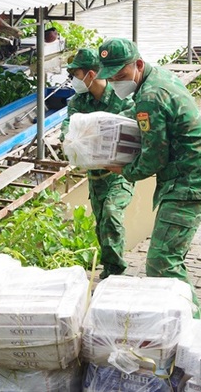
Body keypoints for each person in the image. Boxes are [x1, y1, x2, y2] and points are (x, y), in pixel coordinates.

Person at [97, 38, 201, 318]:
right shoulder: (158, 78)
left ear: (138, 65)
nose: (116, 81)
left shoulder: (151, 97)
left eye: (121, 75)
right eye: (111, 76)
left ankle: (195, 325)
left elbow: (153, 158)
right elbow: (142, 119)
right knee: (169, 259)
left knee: (162, 263)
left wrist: (122, 170)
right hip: (188, 181)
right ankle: (182, 321)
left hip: (189, 187)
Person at [61, 48, 135, 279]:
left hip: (118, 174)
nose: (73, 79)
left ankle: (116, 271)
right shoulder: (78, 102)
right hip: (95, 176)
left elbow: (132, 129)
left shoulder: (120, 98)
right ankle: (108, 270)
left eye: (76, 73)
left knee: (112, 214)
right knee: (102, 223)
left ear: (91, 74)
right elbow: (68, 127)